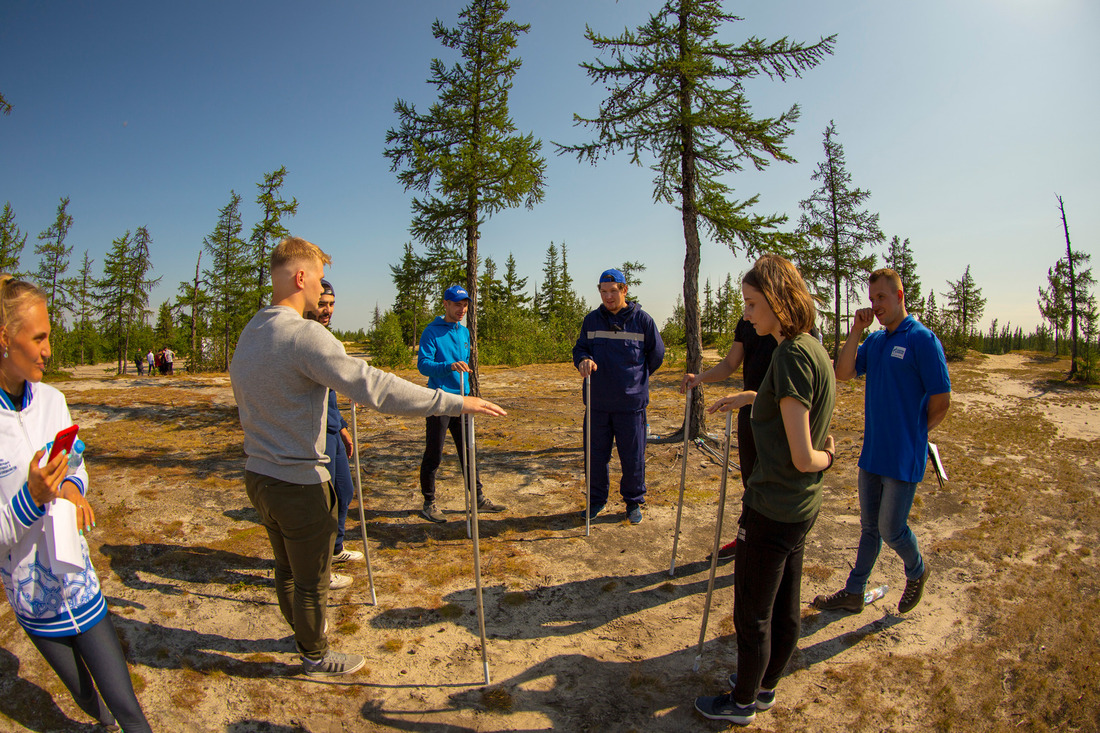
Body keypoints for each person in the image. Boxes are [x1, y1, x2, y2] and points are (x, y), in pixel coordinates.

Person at [230, 238, 506, 677]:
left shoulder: (253, 330)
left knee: (286, 569)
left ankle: (302, 636)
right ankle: (315, 655)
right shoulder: (305, 334)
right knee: (310, 580)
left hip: (258, 475)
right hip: (299, 482)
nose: (321, 289)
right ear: (300, 277)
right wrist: (455, 402)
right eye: (318, 278)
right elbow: (374, 386)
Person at [0, 275, 152, 732]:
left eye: (50, 336)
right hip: (32, 597)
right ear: (4, 340)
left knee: (127, 703)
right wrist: (32, 498)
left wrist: (71, 488)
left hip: (80, 582)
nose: (48, 349)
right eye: (39, 337)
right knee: (87, 698)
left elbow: (75, 466)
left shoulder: (53, 401)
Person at [694, 255, 836, 726]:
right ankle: (768, 687)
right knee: (785, 602)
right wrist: (751, 397)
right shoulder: (810, 348)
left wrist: (827, 458)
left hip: (774, 502)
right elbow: (787, 404)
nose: (747, 314)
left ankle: (741, 703)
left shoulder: (791, 354)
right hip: (799, 506)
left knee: (754, 612)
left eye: (753, 304)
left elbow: (802, 454)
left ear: (778, 300)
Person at [813, 268, 951, 615]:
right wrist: (857, 330)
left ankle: (917, 570)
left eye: (882, 298)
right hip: (872, 454)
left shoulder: (922, 340)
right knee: (869, 528)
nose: (876, 305)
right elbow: (842, 373)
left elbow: (941, 400)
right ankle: (854, 592)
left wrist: (915, 433)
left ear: (900, 296)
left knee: (892, 529)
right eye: (872, 298)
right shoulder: (874, 341)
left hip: (903, 456)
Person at [573, 268, 664, 524]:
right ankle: (596, 501)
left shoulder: (642, 320)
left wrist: (635, 379)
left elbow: (656, 355)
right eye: (603, 292)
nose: (608, 297)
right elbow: (580, 348)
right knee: (595, 457)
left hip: (631, 406)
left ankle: (633, 502)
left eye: (613, 291)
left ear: (624, 290)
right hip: (597, 404)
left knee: (633, 458)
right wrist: (583, 359)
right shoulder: (591, 321)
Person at [682, 316, 777, 560]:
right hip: (749, 414)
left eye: (752, 303)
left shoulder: (795, 323)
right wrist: (699, 378)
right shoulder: (747, 322)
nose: (747, 312)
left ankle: (771, 547)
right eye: (746, 303)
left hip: (782, 415)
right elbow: (730, 363)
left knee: (775, 484)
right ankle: (747, 537)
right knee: (751, 480)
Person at [417, 285, 505, 523]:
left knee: (469, 451)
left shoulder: (464, 332)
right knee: (434, 452)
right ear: (445, 304)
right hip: (439, 399)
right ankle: (429, 502)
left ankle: (477, 497)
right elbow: (423, 365)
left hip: (463, 400)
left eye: (465, 304)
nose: (462, 309)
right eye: (457, 304)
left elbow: (465, 362)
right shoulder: (431, 332)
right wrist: (449, 366)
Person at [309, 279, 363, 587]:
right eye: (322, 304)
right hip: (315, 434)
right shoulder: (307, 338)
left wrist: (341, 425)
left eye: (331, 304)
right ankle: (318, 568)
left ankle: (336, 548)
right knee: (322, 503)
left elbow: (328, 391)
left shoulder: (324, 336)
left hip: (332, 429)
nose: (327, 310)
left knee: (344, 491)